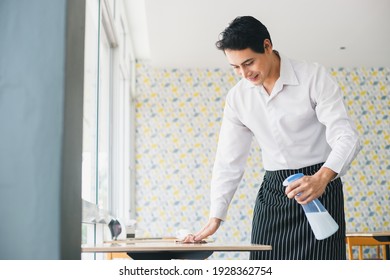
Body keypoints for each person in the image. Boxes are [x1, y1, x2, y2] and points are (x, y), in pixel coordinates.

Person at [184, 16, 361, 260]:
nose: (244, 73)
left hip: (320, 187)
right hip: (274, 194)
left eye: (249, 62)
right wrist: (215, 217)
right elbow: (228, 161)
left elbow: (347, 136)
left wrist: (322, 178)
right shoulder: (238, 98)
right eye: (236, 67)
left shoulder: (312, 77)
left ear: (267, 46)